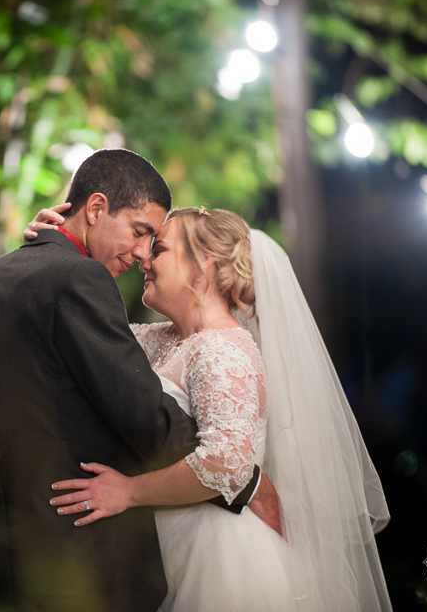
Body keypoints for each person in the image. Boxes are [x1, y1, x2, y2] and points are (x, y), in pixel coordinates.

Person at [0, 149, 279, 612]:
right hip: (79, 549)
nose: (142, 254)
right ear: (95, 208)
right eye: (141, 234)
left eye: (155, 244)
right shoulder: (79, 279)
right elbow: (146, 417)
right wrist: (243, 479)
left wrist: (45, 247)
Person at [28, 205, 393, 611]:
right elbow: (83, 331)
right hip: (168, 547)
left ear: (203, 265)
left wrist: (129, 492)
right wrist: (53, 249)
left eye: (160, 248)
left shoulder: (223, 349)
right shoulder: (161, 339)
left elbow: (227, 464)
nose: (144, 259)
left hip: (219, 554)